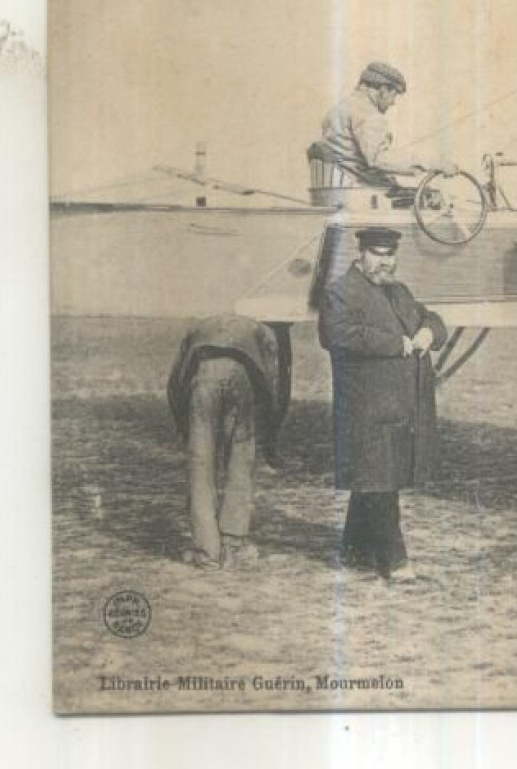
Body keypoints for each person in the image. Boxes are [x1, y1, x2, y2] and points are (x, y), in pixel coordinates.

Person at [318, 227, 448, 583]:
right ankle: (395, 559)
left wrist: (427, 334)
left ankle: (354, 549)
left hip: (400, 405)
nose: (385, 262)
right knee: (380, 479)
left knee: (376, 476)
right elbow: (337, 335)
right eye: (377, 253)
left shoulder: (399, 291)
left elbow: (433, 319)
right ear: (359, 254)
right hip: (366, 407)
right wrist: (397, 344)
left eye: (390, 255)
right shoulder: (339, 292)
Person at [166, 315, 288, 568]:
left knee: (200, 461)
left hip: (203, 376)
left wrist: (183, 426)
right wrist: (271, 430)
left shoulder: (198, 326)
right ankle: (233, 543)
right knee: (241, 457)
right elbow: (273, 383)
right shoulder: (264, 331)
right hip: (241, 378)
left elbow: (175, 382)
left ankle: (206, 549)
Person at [309, 62, 457, 198]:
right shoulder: (368, 114)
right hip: (363, 193)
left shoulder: (339, 109)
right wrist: (433, 164)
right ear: (383, 90)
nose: (393, 103)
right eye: (394, 95)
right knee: (432, 197)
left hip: (340, 189)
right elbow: (379, 159)